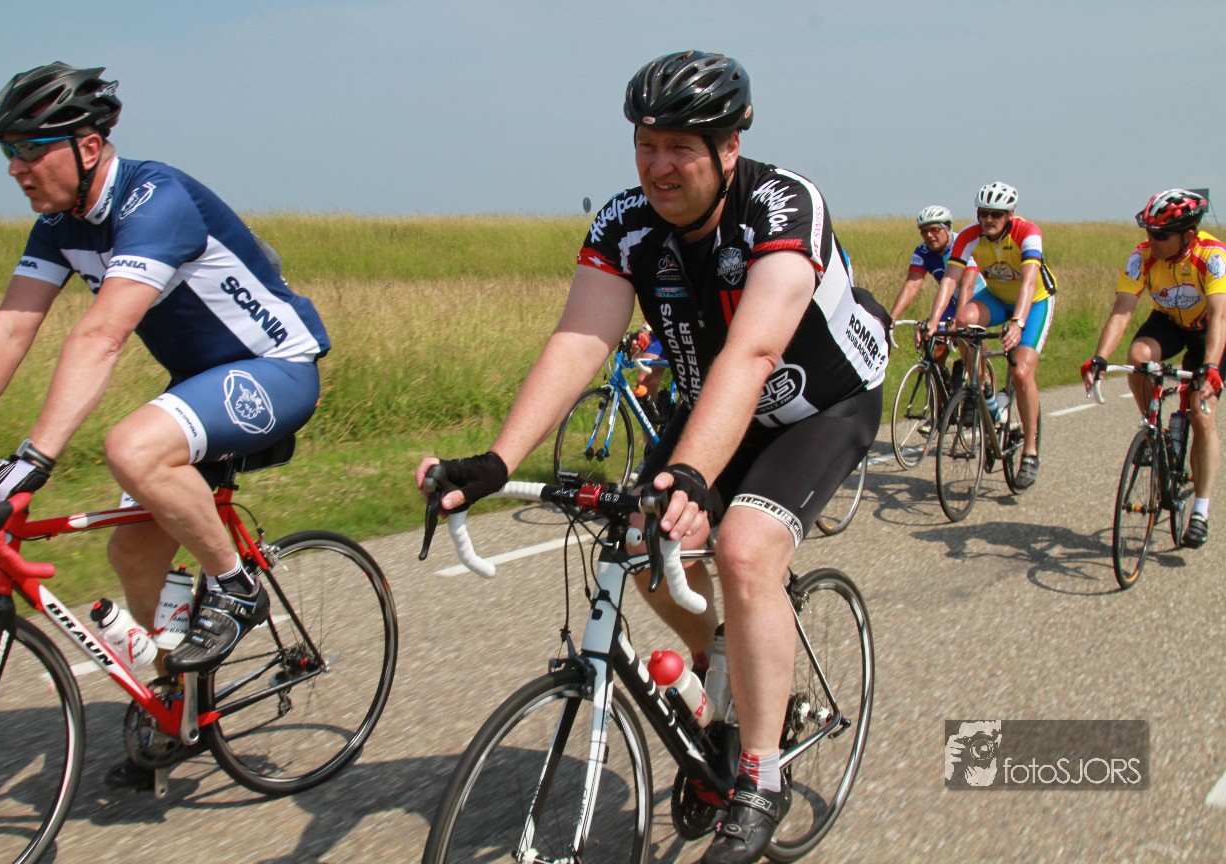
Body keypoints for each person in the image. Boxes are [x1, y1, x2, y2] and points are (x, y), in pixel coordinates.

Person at [417, 50, 888, 864]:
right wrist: (497, 459)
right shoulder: (625, 224)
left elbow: (754, 352)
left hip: (818, 403)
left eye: (679, 148)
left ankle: (761, 775)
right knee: (640, 539)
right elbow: (581, 338)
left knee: (744, 552)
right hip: (717, 404)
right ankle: (724, 660)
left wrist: (694, 477)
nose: (659, 166)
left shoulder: (781, 205)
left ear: (729, 147)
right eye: (645, 144)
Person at [0, 63, 331, 788]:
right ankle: (177, 705)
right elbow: (11, 326)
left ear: (88, 147)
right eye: (7, 153)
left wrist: (34, 458)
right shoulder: (60, 226)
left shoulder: (156, 199)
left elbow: (101, 336)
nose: (15, 168)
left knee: (131, 448)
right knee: (132, 556)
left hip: (275, 369)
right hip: (201, 385)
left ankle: (237, 587)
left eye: (29, 149)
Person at [1082, 189, 1224, 548]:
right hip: (1171, 323)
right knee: (1139, 358)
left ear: (1187, 236)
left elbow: (1219, 316)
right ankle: (1153, 430)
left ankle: (1201, 510)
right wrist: (1100, 357)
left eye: (1160, 235)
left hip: (1211, 331)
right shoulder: (1142, 256)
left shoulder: (1212, 256)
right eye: (1149, 232)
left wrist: (1210, 367)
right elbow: (1122, 310)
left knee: (1201, 412)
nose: (1151, 240)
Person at [925, 181, 1056, 488]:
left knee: (1021, 371)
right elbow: (950, 280)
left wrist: (1018, 322)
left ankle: (1030, 451)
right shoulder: (970, 236)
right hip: (997, 298)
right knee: (963, 321)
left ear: (1009, 214)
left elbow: (1028, 282)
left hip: (1034, 301)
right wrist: (934, 321)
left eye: (995, 214)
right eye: (983, 213)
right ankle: (983, 389)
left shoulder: (1028, 232)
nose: (988, 219)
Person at [889, 204, 988, 388]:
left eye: (934, 230)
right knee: (934, 351)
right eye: (924, 231)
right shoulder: (923, 251)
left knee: (970, 340)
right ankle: (940, 402)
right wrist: (892, 318)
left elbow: (966, 287)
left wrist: (958, 321)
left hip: (977, 299)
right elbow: (912, 284)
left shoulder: (964, 245)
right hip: (952, 300)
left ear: (947, 228)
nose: (929, 235)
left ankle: (983, 386)